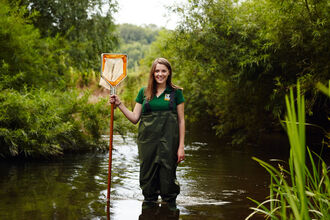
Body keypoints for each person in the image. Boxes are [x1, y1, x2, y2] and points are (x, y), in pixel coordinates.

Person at [109, 58, 185, 210]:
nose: (160, 74)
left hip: (169, 143)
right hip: (147, 143)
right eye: (157, 71)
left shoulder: (176, 93)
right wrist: (119, 104)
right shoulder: (144, 92)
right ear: (153, 73)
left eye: (163, 71)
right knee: (147, 179)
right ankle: (148, 208)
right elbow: (135, 118)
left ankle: (169, 210)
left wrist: (181, 146)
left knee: (168, 180)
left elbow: (181, 121)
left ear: (169, 72)